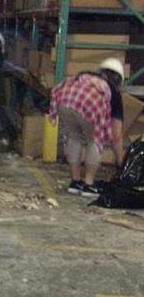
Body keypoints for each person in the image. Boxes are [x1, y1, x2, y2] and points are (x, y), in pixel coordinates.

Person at [49, 58, 126, 197]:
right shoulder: (113, 92)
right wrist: (121, 164)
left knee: (74, 137)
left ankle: (75, 182)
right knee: (95, 140)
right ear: (118, 80)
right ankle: (88, 185)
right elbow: (117, 135)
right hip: (88, 103)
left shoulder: (85, 76)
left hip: (63, 99)